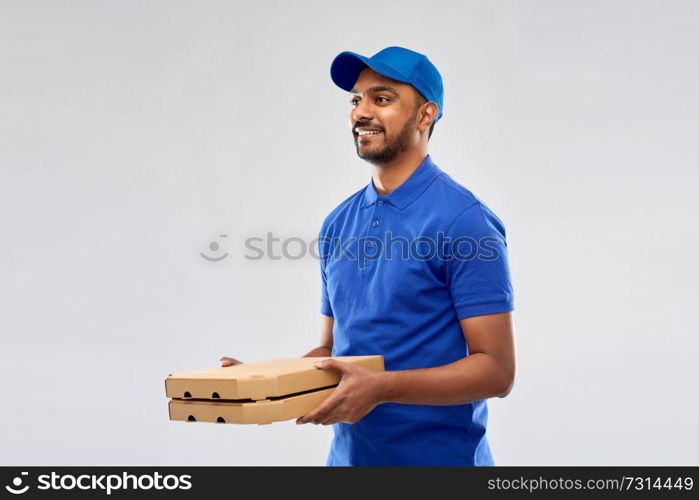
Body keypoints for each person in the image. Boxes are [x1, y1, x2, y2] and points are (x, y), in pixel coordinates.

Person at [220, 46, 516, 466]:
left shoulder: (465, 222)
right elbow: (331, 352)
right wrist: (261, 382)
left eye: (382, 99)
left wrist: (381, 387)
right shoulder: (337, 223)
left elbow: (497, 371)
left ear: (425, 115)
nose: (361, 112)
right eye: (356, 100)